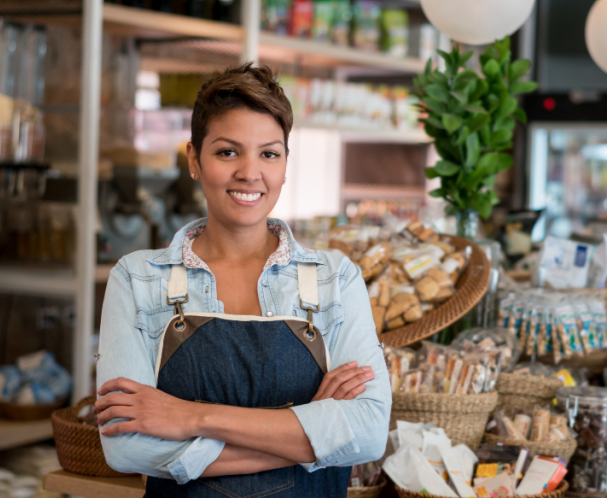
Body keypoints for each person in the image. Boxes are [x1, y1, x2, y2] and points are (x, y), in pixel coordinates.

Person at [94, 63, 390, 497]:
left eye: (269, 153)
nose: (250, 173)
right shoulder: (139, 278)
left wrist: (190, 418)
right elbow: (126, 447)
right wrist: (312, 432)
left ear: (286, 164)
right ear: (194, 159)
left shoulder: (334, 278)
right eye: (228, 152)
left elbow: (367, 434)